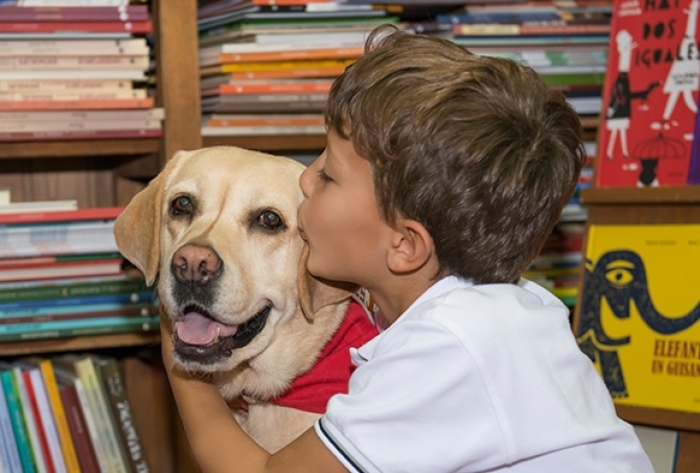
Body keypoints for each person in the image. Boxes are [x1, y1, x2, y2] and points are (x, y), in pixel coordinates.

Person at [161, 24, 653, 472]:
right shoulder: (507, 311)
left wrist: (185, 370)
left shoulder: (448, 348)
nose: (305, 180)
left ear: (404, 246)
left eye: (329, 175)